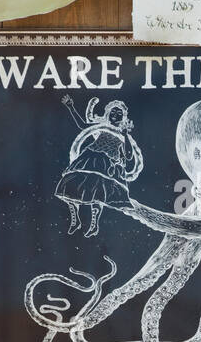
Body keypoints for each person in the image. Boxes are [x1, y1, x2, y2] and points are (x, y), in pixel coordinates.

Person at [55, 94, 143, 237]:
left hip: (107, 164)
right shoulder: (102, 127)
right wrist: (71, 106)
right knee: (71, 185)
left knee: (97, 192)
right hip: (90, 157)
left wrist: (125, 135)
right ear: (108, 114)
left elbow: (128, 156)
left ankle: (94, 223)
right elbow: (83, 126)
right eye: (113, 112)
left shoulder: (123, 134)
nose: (115, 115)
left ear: (123, 117)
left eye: (119, 113)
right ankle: (75, 218)